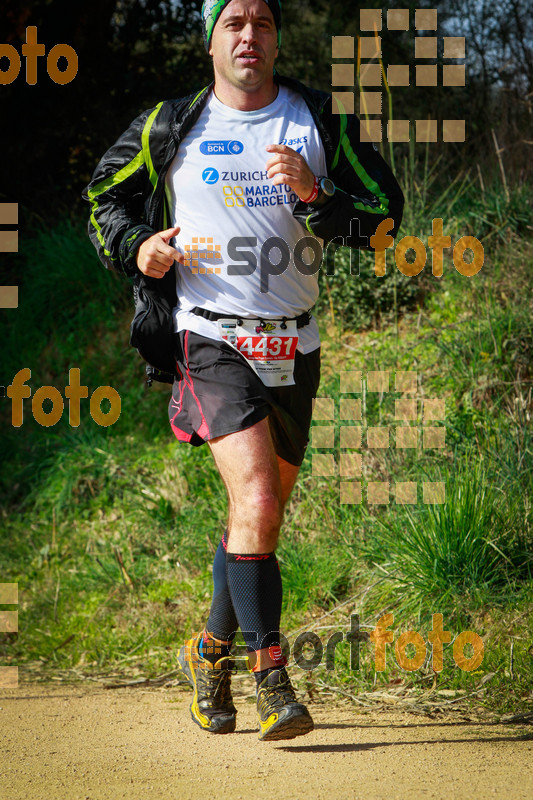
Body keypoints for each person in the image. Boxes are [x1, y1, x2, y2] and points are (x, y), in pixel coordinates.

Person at [83, 0, 404, 741]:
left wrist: (317, 197)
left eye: (261, 22)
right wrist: (138, 245)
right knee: (257, 499)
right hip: (208, 338)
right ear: (211, 39)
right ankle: (273, 681)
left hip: (295, 345)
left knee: (255, 520)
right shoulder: (171, 123)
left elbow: (386, 217)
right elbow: (105, 194)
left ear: (277, 36)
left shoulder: (318, 121)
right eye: (233, 23)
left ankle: (208, 655)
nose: (249, 36)